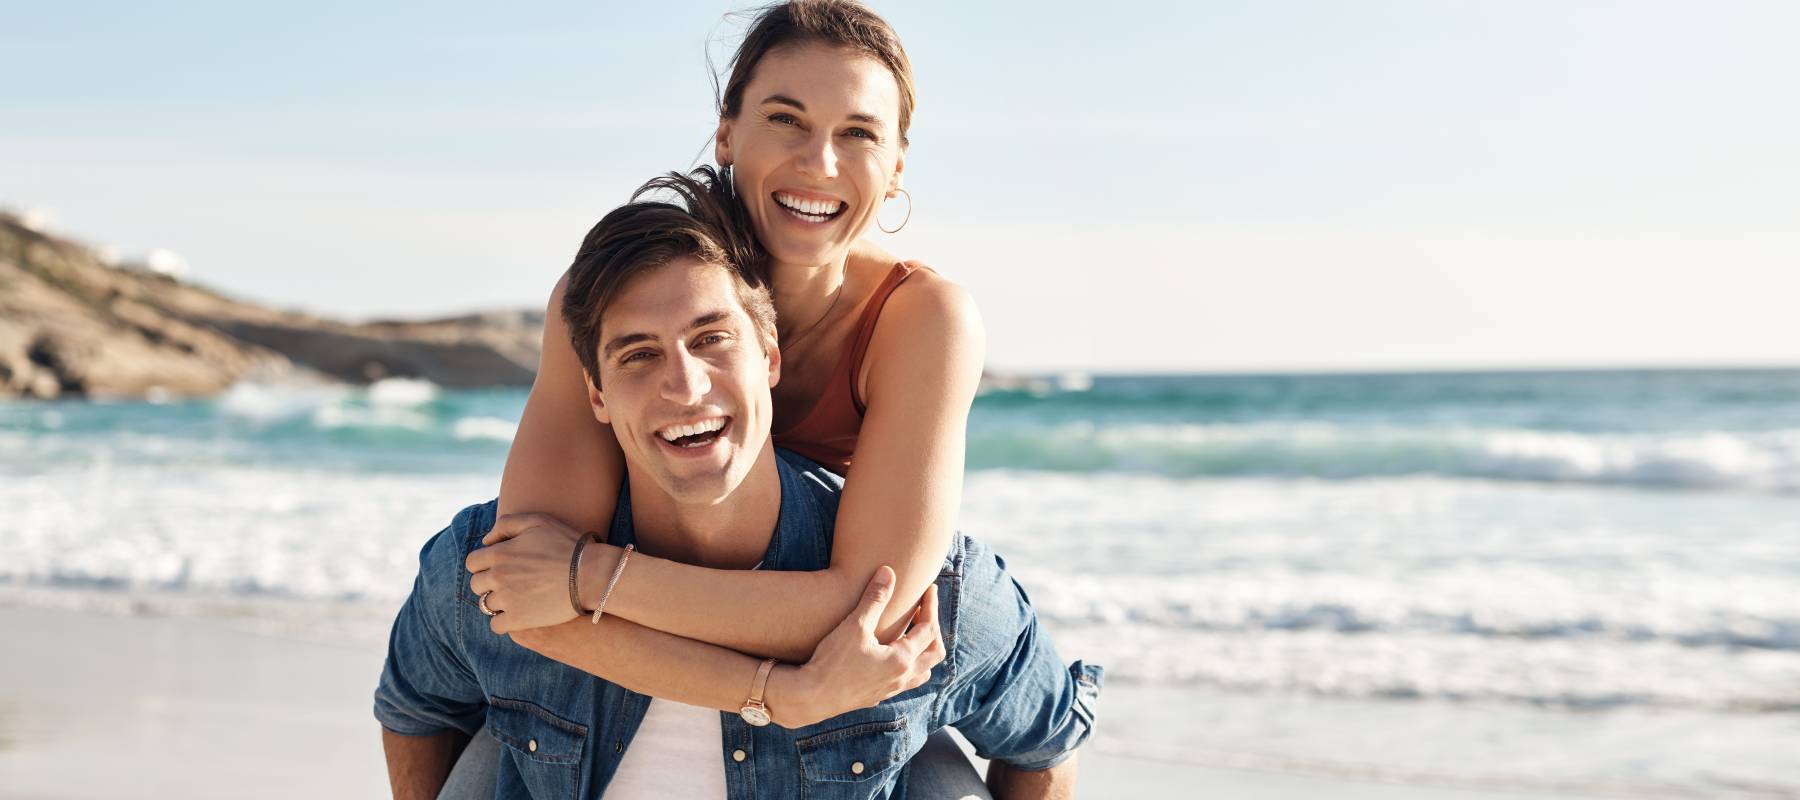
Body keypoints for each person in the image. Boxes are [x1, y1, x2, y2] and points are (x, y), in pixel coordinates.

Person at [374, 174, 1101, 798]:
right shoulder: (494, 568)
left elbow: (1045, 742)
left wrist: (588, 577)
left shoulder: (927, 608)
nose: (685, 385)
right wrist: (785, 696)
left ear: (771, 357)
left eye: (712, 339)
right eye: (637, 355)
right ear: (594, 394)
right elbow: (414, 707)